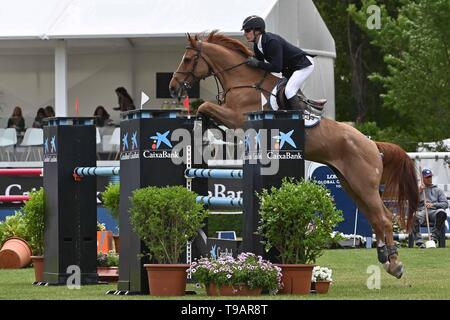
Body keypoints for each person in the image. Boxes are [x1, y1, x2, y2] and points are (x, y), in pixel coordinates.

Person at [241, 15, 319, 111]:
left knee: (289, 91)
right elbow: (262, 68)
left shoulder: (272, 42)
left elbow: (276, 67)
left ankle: (302, 118)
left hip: (303, 65)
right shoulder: (257, 47)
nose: (245, 33)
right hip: (290, 69)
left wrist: (257, 64)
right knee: (276, 97)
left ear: (257, 31)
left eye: (247, 30)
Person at [412, 168, 448, 248]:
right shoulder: (418, 190)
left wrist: (433, 205)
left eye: (430, 177)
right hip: (422, 211)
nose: (429, 179)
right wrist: (418, 192)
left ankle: (433, 237)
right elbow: (412, 204)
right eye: (427, 177)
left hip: (434, 212)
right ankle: (419, 242)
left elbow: (445, 204)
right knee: (413, 217)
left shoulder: (438, 190)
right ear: (422, 179)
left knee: (442, 212)